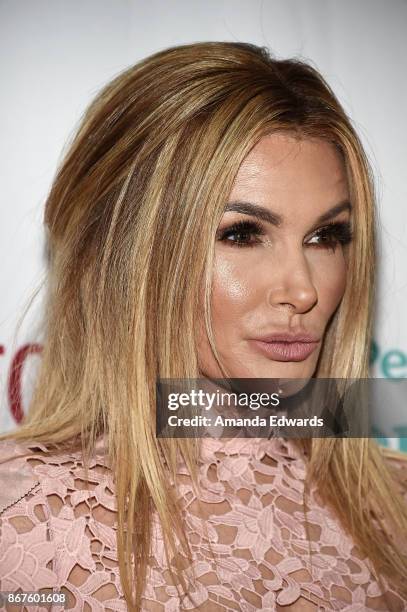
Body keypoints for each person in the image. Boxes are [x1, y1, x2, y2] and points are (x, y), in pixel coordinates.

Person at [0, 41, 406, 611]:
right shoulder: (23, 518)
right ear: (122, 251)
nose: (304, 289)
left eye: (326, 236)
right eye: (242, 234)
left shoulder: (393, 505)